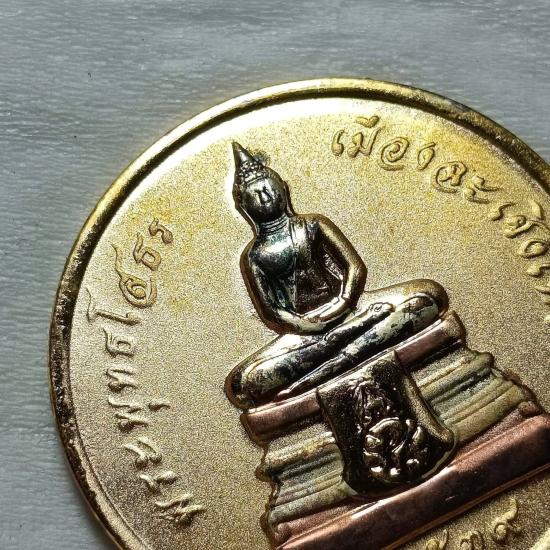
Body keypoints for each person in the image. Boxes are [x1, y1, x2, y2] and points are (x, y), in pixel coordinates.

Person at [226, 143, 448, 408]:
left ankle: (325, 365)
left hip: (353, 309)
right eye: (255, 194)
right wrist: (309, 326)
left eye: (269, 187)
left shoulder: (313, 224)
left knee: (427, 297)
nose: (265, 196)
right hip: (306, 335)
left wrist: (343, 303)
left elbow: (354, 268)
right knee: (245, 385)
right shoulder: (254, 256)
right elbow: (273, 312)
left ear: (283, 188)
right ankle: (352, 343)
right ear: (243, 205)